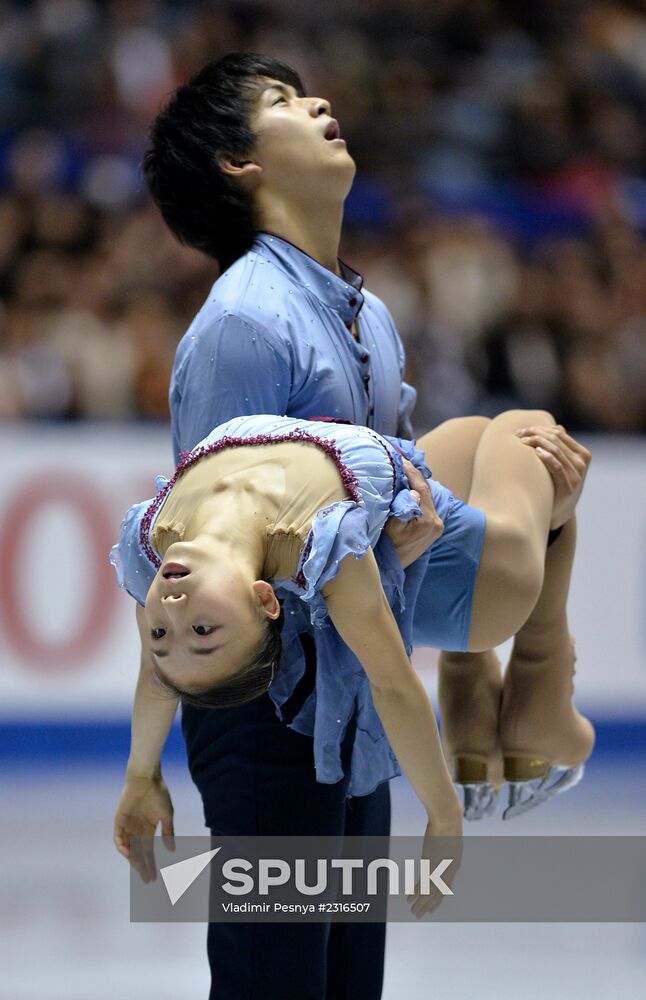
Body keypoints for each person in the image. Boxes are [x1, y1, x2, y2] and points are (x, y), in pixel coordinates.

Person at [113, 51, 591, 998]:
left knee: (345, 986)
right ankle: (524, 676)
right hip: (270, 713)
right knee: (280, 986)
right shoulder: (245, 323)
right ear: (238, 165)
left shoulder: (363, 310)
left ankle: (492, 672)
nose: (320, 102)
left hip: (355, 704)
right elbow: (206, 550)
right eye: (283, 104)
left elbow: (400, 477)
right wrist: (143, 767)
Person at [111, 410, 594, 897]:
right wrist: (443, 819)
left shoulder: (147, 544)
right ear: (263, 599)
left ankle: (469, 693)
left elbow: (157, 680)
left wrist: (140, 776)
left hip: (435, 520)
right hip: (484, 582)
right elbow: (393, 685)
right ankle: (539, 688)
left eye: (160, 634)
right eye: (202, 629)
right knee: (527, 427)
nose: (172, 612)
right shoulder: (316, 540)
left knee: (471, 435)